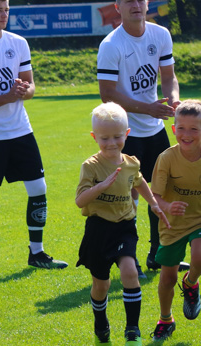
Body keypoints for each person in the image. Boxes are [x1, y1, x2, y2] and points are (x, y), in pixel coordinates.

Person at [0, 0, 67, 273]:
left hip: (21, 131)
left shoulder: (19, 43)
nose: (4, 14)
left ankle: (37, 251)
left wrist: (22, 90)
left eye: (6, 9)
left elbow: (30, 87)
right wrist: (7, 95)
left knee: (38, 188)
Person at [76, 103, 170, 346]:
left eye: (117, 137)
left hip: (124, 226)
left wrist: (154, 204)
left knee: (129, 272)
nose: (111, 143)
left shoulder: (131, 163)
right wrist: (100, 187)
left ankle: (132, 330)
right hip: (98, 229)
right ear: (95, 137)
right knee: (101, 286)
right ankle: (101, 325)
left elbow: (140, 183)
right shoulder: (91, 166)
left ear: (126, 134)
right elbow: (80, 201)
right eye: (104, 138)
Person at [98, 0, 182, 274]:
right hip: (126, 134)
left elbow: (169, 77)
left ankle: (158, 254)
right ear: (118, 6)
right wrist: (149, 108)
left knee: (160, 194)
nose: (135, 4)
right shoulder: (111, 45)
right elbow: (107, 94)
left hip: (156, 130)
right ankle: (127, 258)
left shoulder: (161, 35)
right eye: (128, 0)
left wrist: (174, 101)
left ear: (147, 3)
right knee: (128, 198)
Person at [150, 100, 201, 341]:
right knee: (168, 278)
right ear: (173, 129)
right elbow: (154, 197)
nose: (186, 134)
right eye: (181, 128)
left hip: (199, 221)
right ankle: (165, 319)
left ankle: (191, 284)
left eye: (194, 129)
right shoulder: (167, 158)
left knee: (199, 255)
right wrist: (169, 206)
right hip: (172, 225)